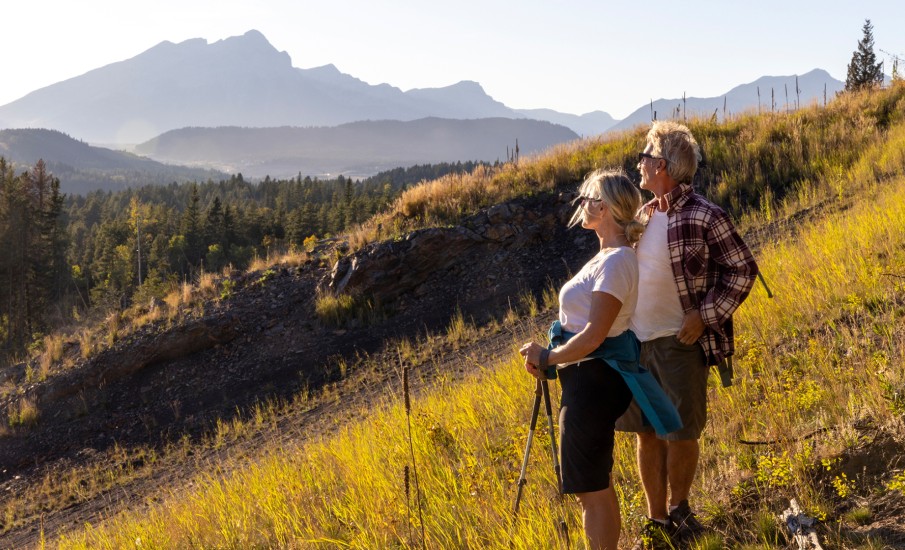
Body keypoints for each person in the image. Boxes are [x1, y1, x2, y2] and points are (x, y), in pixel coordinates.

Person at [520, 169, 681, 550]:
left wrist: (550, 357)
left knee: (590, 489)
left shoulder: (616, 261)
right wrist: (553, 357)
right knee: (594, 484)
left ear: (605, 207)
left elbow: (594, 334)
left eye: (589, 198)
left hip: (592, 381)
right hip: (589, 379)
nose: (582, 205)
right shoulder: (609, 256)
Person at [616, 121, 759, 547]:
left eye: (644, 156)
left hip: (678, 343)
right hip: (635, 344)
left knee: (679, 432)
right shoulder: (641, 216)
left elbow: (743, 269)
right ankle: (656, 521)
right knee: (645, 431)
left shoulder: (704, 214)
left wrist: (706, 315)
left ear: (661, 164)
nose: (638, 163)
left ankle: (680, 513)